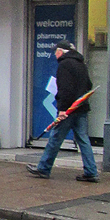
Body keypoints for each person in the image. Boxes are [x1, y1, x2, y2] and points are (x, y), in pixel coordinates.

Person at [27, 40, 98, 182]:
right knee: (83, 140)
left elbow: (64, 89)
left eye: (56, 51)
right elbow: (88, 85)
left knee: (55, 138)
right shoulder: (81, 64)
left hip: (68, 110)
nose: (55, 54)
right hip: (81, 108)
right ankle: (91, 171)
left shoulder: (64, 65)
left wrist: (62, 109)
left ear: (61, 51)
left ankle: (43, 168)